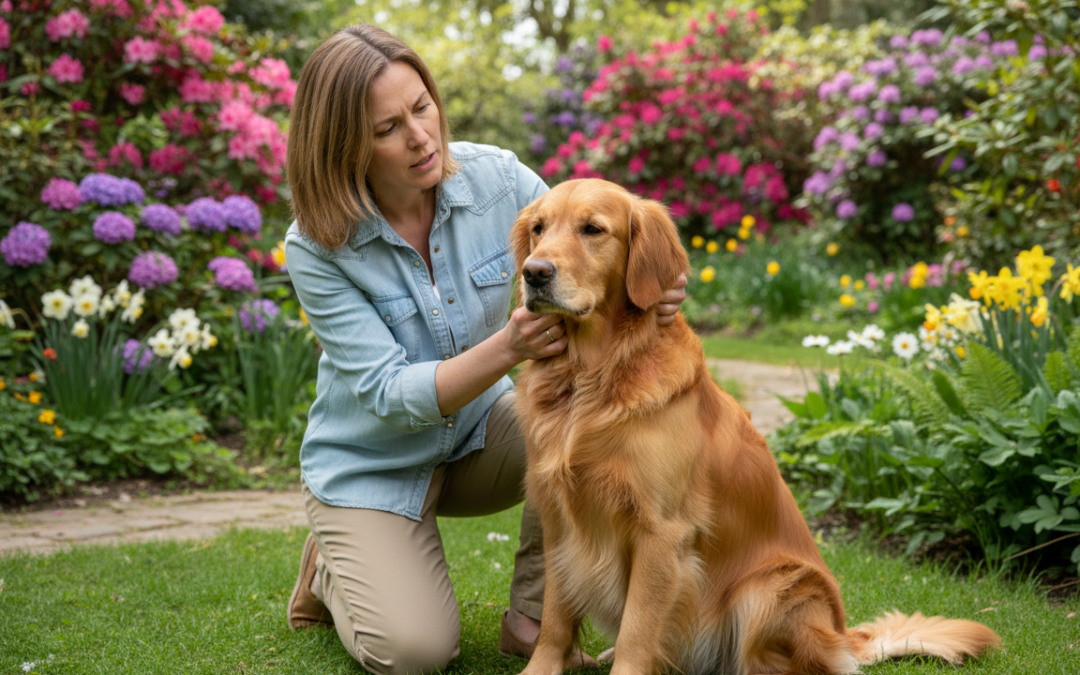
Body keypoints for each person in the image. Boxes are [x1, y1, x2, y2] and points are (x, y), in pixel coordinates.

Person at [282, 24, 687, 675]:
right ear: (343, 146)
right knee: (415, 652)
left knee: (583, 430)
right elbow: (388, 394)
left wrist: (655, 281)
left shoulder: (498, 179)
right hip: (373, 465)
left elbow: (586, 242)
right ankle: (333, 564)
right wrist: (507, 346)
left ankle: (533, 616)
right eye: (387, 128)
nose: (420, 136)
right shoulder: (315, 245)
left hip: (478, 435)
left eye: (421, 107)